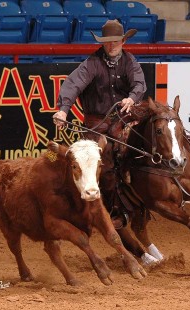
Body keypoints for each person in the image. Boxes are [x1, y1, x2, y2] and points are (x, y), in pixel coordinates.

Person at [52, 19, 147, 229]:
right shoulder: (92, 63)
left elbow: (139, 84)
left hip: (123, 120)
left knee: (147, 146)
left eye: (115, 41)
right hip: (97, 124)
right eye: (107, 42)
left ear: (123, 41)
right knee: (104, 165)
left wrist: (132, 98)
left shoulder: (130, 61)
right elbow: (73, 84)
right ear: (103, 43)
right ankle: (114, 210)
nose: (111, 45)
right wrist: (63, 109)